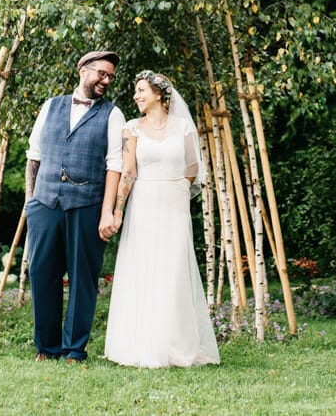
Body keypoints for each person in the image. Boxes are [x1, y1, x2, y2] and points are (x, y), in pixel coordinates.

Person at [101, 70, 220, 368]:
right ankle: (140, 344)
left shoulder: (183, 127)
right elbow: (128, 173)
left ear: (158, 93)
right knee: (143, 268)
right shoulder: (131, 129)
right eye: (135, 91)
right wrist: (117, 211)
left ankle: (175, 345)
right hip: (143, 203)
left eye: (141, 90)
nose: (136, 96)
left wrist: (176, 189)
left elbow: (193, 167)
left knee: (173, 271)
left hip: (174, 205)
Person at [24, 50, 126, 362]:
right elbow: (34, 155)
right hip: (45, 203)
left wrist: (107, 211)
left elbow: (115, 165)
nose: (106, 80)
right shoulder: (50, 106)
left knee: (83, 278)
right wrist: (31, 201)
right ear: (83, 70)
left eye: (110, 76)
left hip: (87, 205)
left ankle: (74, 349)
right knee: (41, 273)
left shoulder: (112, 114)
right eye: (101, 73)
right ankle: (47, 347)